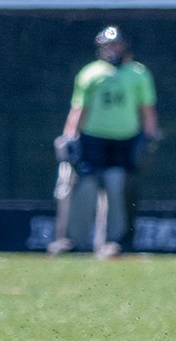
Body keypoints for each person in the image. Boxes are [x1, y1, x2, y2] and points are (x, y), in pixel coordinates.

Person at [49, 25, 160, 258]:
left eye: (117, 44)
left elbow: (146, 110)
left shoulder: (138, 74)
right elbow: (79, 109)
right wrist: (69, 136)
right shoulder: (90, 73)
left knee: (117, 186)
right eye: (109, 45)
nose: (113, 49)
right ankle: (71, 240)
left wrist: (149, 138)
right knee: (84, 187)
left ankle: (114, 242)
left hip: (125, 141)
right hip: (92, 140)